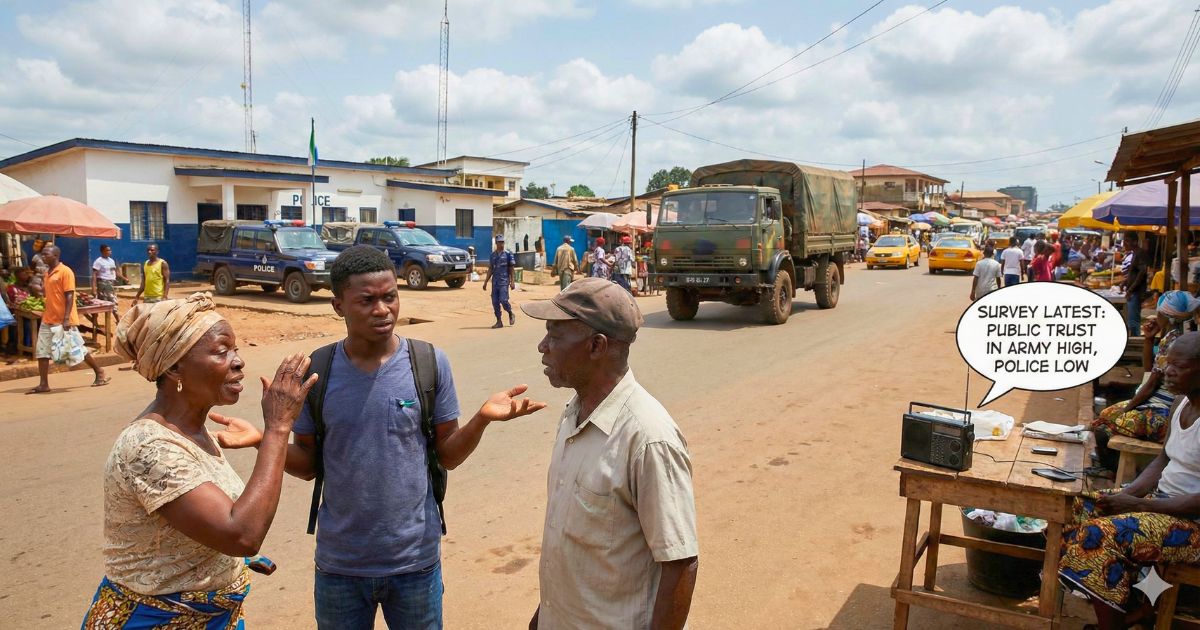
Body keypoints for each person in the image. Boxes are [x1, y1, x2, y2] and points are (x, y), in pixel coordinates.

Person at [283, 245, 546, 629]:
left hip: (415, 563)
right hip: (340, 565)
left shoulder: (428, 362)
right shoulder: (317, 371)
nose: (382, 310)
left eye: (390, 297)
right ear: (338, 305)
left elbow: (447, 456)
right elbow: (307, 466)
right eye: (367, 300)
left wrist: (480, 421)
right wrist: (266, 439)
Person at [81, 294, 316, 628]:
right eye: (222, 351)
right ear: (175, 366)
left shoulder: (194, 431)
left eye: (235, 350)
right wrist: (278, 427)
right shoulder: (148, 446)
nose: (238, 362)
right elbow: (242, 535)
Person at [521, 278, 699, 629]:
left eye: (555, 336)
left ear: (596, 346)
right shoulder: (574, 413)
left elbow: (680, 563)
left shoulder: (648, 438)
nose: (543, 346)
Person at [1060, 332, 1200, 630]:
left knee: (1100, 535)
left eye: (1180, 365)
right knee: (1075, 507)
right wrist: (1126, 495)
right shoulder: (1179, 405)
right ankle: (1133, 606)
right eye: (1168, 363)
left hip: (1194, 524)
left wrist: (1134, 503)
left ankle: (1116, 622)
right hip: (1163, 505)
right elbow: (1163, 459)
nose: (1168, 371)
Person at [1088, 291, 1200, 478]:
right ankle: (1115, 470)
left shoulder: (1174, 342)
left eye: (1158, 313)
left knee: (1102, 421)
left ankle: (1112, 471)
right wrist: (1149, 338)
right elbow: (1150, 371)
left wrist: (1128, 409)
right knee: (1108, 418)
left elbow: (1151, 383)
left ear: (1166, 316)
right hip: (1167, 410)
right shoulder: (1181, 338)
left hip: (1162, 414)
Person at [27, 245, 110, 394]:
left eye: (46, 254)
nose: (43, 257)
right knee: (42, 351)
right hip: (48, 318)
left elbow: (70, 295)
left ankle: (99, 371)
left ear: (55, 256)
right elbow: (49, 294)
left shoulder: (65, 272)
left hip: (63, 319)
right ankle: (44, 384)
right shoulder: (48, 273)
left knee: (77, 348)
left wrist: (66, 319)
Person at [483, 234, 516, 329]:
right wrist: (485, 282)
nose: (501, 244)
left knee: (503, 300)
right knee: (495, 302)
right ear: (496, 243)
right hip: (495, 282)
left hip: (504, 281)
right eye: (499, 242)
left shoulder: (508, 254)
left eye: (502, 242)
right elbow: (490, 269)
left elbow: (511, 269)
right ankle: (499, 321)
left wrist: (512, 281)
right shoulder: (492, 255)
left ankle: (510, 313)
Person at [1123, 234, 1150, 337]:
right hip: (1133, 290)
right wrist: (1125, 283)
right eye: (1124, 241)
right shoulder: (1134, 253)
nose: (1125, 243)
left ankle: (1135, 339)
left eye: (1127, 241)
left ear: (1135, 242)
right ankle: (1134, 337)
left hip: (1136, 292)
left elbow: (1142, 272)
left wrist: (1131, 289)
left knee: (1133, 319)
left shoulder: (1140, 253)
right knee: (1131, 318)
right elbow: (1134, 272)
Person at [92, 244, 126, 313]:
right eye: (108, 250)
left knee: (106, 302)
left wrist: (124, 278)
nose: (110, 251)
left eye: (110, 250)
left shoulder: (111, 261)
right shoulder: (98, 261)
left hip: (111, 284)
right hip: (103, 284)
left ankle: (95, 320)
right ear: (102, 251)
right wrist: (93, 288)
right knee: (111, 301)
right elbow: (94, 275)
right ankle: (117, 319)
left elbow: (115, 272)